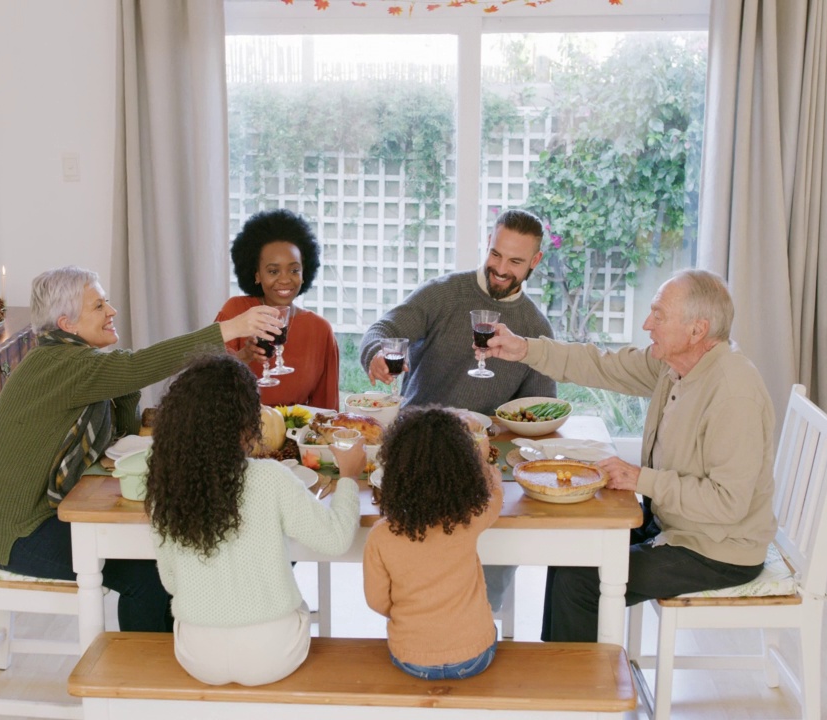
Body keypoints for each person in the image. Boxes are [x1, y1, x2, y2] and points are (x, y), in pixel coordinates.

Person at [0, 266, 281, 633]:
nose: (112, 311)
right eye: (98, 306)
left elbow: (123, 432)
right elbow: (137, 367)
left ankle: (179, 652)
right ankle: (143, 680)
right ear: (66, 323)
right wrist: (230, 328)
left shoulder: (74, 363)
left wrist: (125, 382)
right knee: (148, 575)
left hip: (44, 516)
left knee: (164, 559)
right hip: (17, 533)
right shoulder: (60, 367)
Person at [483, 269, 775, 642]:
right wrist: (524, 349)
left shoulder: (733, 395)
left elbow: (729, 504)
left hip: (716, 550)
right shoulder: (676, 367)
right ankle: (557, 672)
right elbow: (602, 364)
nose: (646, 323)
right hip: (674, 525)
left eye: (659, 315)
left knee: (580, 581)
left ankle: (580, 691)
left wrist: (642, 479)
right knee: (571, 548)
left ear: (697, 330)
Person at [359, 208, 557, 609]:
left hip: (479, 464)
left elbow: (538, 415)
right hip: (415, 453)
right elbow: (382, 331)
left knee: (493, 555)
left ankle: (483, 621)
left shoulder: (536, 329)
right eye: (495, 254)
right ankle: (420, 627)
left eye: (515, 261)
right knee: (416, 585)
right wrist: (377, 354)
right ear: (488, 243)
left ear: (535, 262)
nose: (500, 269)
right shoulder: (444, 293)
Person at [147, 353, 364, 685]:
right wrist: (348, 476)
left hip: (197, 656)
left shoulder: (167, 488)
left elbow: (171, 584)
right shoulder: (269, 478)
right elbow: (335, 540)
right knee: (298, 608)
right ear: (246, 425)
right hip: (274, 654)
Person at [363, 407, 502, 680]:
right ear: (464, 471)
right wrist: (483, 463)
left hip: (410, 657)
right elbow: (495, 494)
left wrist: (413, 614)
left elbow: (377, 602)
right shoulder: (470, 519)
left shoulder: (381, 535)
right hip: (475, 656)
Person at [216, 209, 340, 410]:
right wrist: (245, 356)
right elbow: (210, 383)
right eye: (273, 271)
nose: (285, 279)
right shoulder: (236, 311)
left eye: (294, 270)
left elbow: (326, 408)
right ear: (257, 275)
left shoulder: (320, 330)